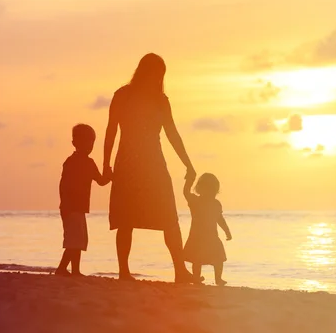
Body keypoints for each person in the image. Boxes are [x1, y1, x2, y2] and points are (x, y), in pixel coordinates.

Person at [103, 53, 197, 283]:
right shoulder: (122, 95)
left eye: (161, 75)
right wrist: (105, 164)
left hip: (153, 163)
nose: (157, 79)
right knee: (126, 220)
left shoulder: (160, 100)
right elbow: (111, 130)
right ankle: (123, 272)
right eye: (155, 74)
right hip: (128, 163)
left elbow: (172, 133)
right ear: (144, 72)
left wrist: (188, 163)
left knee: (168, 217)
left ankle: (179, 271)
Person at [56, 124, 110, 276]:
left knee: (78, 241)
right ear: (75, 143)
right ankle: (63, 269)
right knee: (74, 241)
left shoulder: (90, 163)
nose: (89, 146)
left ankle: (74, 270)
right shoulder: (71, 162)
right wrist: (64, 205)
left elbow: (101, 181)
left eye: (91, 143)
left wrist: (110, 174)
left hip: (79, 208)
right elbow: (63, 185)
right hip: (70, 207)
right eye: (86, 142)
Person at [183, 173, 232, 286]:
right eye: (210, 189)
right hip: (197, 237)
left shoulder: (216, 204)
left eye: (214, 190)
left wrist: (227, 231)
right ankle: (196, 278)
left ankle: (218, 279)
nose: (212, 193)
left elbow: (220, 219)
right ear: (200, 189)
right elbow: (186, 192)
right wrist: (189, 180)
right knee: (197, 260)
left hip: (212, 237)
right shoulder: (195, 201)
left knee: (218, 258)